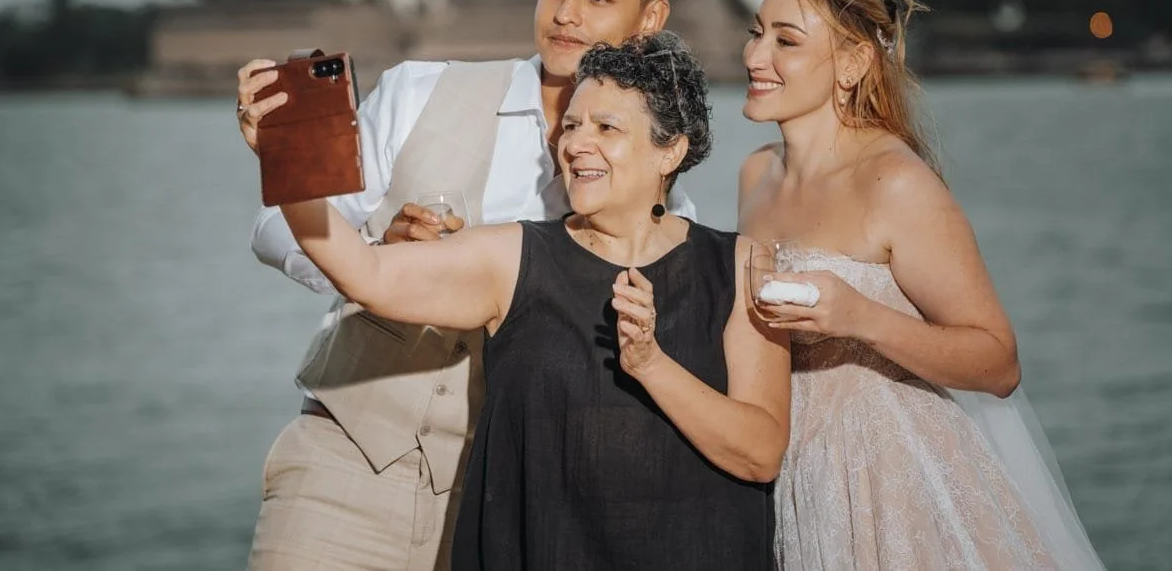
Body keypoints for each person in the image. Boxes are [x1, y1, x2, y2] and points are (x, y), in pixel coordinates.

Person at [235, 0, 698, 570]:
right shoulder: (420, 91)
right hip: (347, 470)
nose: (565, 14)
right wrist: (372, 250)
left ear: (649, 19)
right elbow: (274, 223)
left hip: (513, 514)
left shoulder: (665, 198)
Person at [252, 32, 790, 569]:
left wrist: (650, 364)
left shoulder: (738, 265)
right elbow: (363, 273)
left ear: (670, 150)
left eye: (607, 128)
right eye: (573, 125)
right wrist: (289, 160)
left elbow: (761, 453)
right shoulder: (513, 256)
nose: (577, 143)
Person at [737, 0, 1105, 570]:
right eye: (755, 33)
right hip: (793, 478)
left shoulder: (895, 183)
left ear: (851, 62)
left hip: (897, 486)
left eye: (786, 41)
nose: (754, 57)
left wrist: (861, 317)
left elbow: (999, 361)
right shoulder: (755, 176)